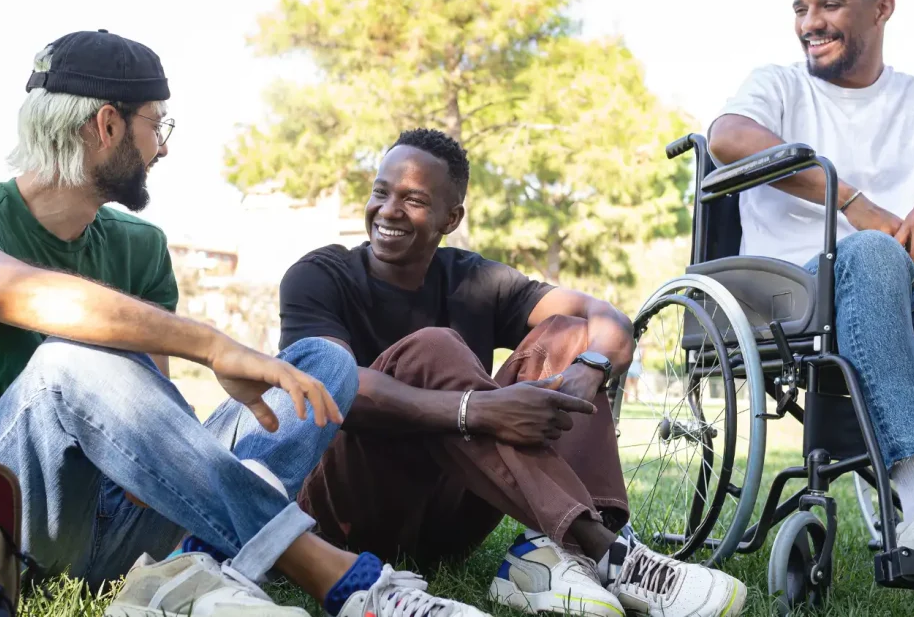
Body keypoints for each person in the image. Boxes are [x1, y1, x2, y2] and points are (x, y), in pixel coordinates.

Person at [0, 30, 489, 617]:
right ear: (106, 126)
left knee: (323, 361)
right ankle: (329, 572)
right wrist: (213, 348)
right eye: (155, 125)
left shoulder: (140, 247)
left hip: (126, 526)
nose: (162, 148)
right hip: (12, 521)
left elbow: (144, 412)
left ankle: (191, 566)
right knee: (69, 361)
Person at [279, 128, 748, 617]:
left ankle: (555, 557)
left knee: (569, 333)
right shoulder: (319, 276)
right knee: (434, 348)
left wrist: (589, 368)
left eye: (413, 200)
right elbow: (333, 388)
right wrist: (477, 410)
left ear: (451, 217)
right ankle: (607, 552)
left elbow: (605, 318)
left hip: (445, 525)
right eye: (381, 192)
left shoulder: (474, 279)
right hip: (342, 520)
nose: (389, 211)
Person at [709, 0, 914, 562]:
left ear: (882, 9)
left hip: (906, 309)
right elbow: (726, 138)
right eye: (801, 9)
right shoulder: (778, 85)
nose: (810, 24)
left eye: (828, 5)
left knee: (882, 261)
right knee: (869, 251)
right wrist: (850, 201)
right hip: (795, 304)